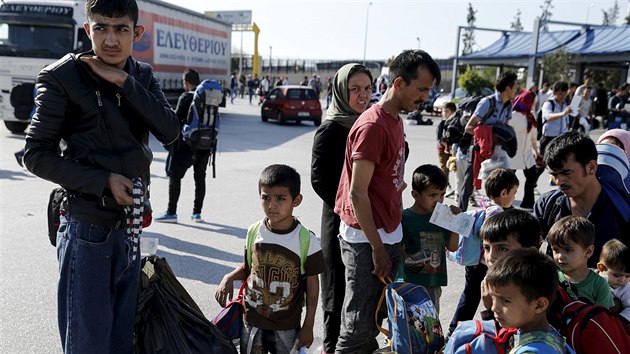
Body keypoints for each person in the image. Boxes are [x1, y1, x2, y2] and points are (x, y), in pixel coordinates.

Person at [23, 0, 179, 351]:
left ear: (136, 33)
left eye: (120, 28)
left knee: (121, 342)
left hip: (131, 228)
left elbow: (170, 130)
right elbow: (35, 155)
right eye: (101, 28)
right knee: (88, 345)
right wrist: (103, 181)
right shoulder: (61, 76)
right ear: (87, 30)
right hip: (86, 228)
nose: (110, 39)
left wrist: (125, 82)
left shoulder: (140, 75)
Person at [334, 49, 441, 353]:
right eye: (420, 89)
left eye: (429, 90)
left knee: (382, 314)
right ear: (398, 83)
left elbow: (389, 180)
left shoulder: (395, 121)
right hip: (366, 239)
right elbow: (357, 193)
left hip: (387, 234)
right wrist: (379, 248)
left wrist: (395, 237)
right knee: (357, 327)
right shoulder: (372, 126)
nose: (424, 97)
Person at [215, 164, 325, 353]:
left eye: (280, 199)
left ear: (296, 200)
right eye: (266, 198)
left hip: (286, 326)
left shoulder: (306, 240)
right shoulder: (254, 231)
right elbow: (251, 268)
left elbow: (313, 287)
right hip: (251, 321)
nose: (272, 205)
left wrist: (308, 325)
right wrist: (229, 277)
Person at [310, 63, 372, 354]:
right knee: (337, 284)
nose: (362, 95)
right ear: (340, 91)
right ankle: (331, 345)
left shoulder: (372, 124)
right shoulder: (331, 129)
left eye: (367, 89)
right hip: (338, 219)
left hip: (370, 217)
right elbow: (319, 178)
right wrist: (348, 205)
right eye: (355, 89)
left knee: (363, 286)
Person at [534, 132, 629, 268]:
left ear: (591, 167)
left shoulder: (621, 209)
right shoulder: (546, 204)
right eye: (554, 175)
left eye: (566, 173)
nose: (559, 181)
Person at [447, 168, 520, 335]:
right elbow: (486, 234)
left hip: (475, 261)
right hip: (484, 263)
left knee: (470, 297)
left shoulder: (485, 205)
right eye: (514, 193)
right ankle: (496, 330)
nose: (514, 197)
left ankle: (455, 330)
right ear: (504, 192)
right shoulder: (497, 212)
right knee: (487, 296)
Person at [396, 164, 459, 314]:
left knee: (430, 326)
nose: (439, 200)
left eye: (442, 194)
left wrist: (455, 224)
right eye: (432, 195)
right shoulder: (403, 218)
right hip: (406, 282)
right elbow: (396, 249)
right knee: (404, 322)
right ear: (415, 194)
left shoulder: (442, 217)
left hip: (431, 284)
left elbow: (453, 247)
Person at [485, 249, 570, 354]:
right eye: (493, 297)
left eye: (505, 300)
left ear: (539, 305)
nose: (494, 307)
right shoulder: (550, 334)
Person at [458, 71, 518, 211]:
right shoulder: (487, 103)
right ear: (507, 88)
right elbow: (469, 127)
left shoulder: (509, 105)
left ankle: (498, 215)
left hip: (497, 152)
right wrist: (489, 136)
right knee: (468, 186)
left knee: (503, 184)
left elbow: (505, 128)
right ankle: (459, 217)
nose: (517, 90)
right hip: (480, 150)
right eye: (515, 86)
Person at [155, 69, 209, 223]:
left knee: (175, 177)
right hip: (205, 145)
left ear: (186, 82)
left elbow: (175, 120)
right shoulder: (207, 97)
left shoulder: (186, 97)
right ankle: (197, 213)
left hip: (186, 146)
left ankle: (171, 213)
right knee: (200, 179)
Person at [477, 209, 543, 321]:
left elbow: (518, 332)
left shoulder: (536, 289)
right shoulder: (496, 283)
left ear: (530, 252)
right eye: (487, 248)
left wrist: (491, 308)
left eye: (502, 248)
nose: (491, 257)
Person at [547, 216, 614, 307]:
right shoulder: (551, 279)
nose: (560, 256)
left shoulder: (599, 285)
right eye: (556, 250)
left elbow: (602, 318)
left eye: (567, 250)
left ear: (588, 252)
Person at [510, 86, 540, 209]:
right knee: (509, 180)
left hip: (526, 154)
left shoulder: (530, 117)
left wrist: (536, 152)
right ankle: (505, 203)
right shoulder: (512, 116)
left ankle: (528, 203)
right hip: (513, 154)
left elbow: (533, 137)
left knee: (531, 177)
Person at [539, 81, 572, 175]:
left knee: (560, 162)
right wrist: (563, 113)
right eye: (560, 93)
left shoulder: (565, 105)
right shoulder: (549, 104)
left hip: (560, 138)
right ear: (554, 93)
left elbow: (566, 121)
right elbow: (548, 116)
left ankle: (555, 180)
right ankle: (533, 182)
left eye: (565, 93)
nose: (563, 96)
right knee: (542, 164)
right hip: (548, 137)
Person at [597, 239, 630, 322]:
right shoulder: (592, 278)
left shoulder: (626, 288)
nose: (622, 280)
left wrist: (618, 321)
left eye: (627, 276)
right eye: (617, 275)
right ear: (601, 268)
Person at [436, 102, 457, 192]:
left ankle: (456, 188)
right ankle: (444, 185)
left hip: (453, 149)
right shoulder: (442, 124)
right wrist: (446, 146)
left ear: (453, 112)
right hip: (442, 148)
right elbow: (439, 138)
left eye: (447, 111)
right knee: (444, 167)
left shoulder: (456, 123)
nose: (444, 113)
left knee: (455, 168)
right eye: (443, 111)